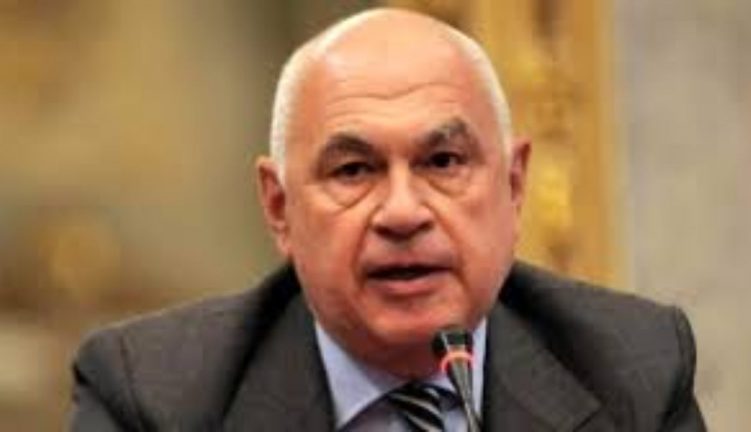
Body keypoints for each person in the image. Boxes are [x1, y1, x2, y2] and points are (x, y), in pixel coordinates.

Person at [70, 8, 706, 431]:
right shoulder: (153, 397)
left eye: (443, 161)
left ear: (514, 187)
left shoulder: (632, 368)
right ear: (280, 207)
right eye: (353, 170)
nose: (402, 212)